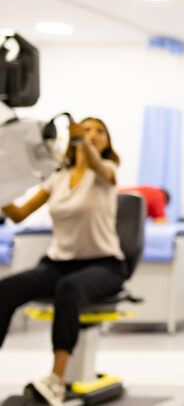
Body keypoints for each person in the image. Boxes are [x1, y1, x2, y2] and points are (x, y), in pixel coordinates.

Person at [0, 117, 127, 405]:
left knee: (69, 288)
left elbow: (96, 165)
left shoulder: (106, 172)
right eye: (87, 129)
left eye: (99, 131)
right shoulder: (56, 179)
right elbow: (19, 214)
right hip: (58, 263)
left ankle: (56, 380)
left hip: (104, 264)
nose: (92, 134)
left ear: (107, 142)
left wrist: (81, 140)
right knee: (5, 289)